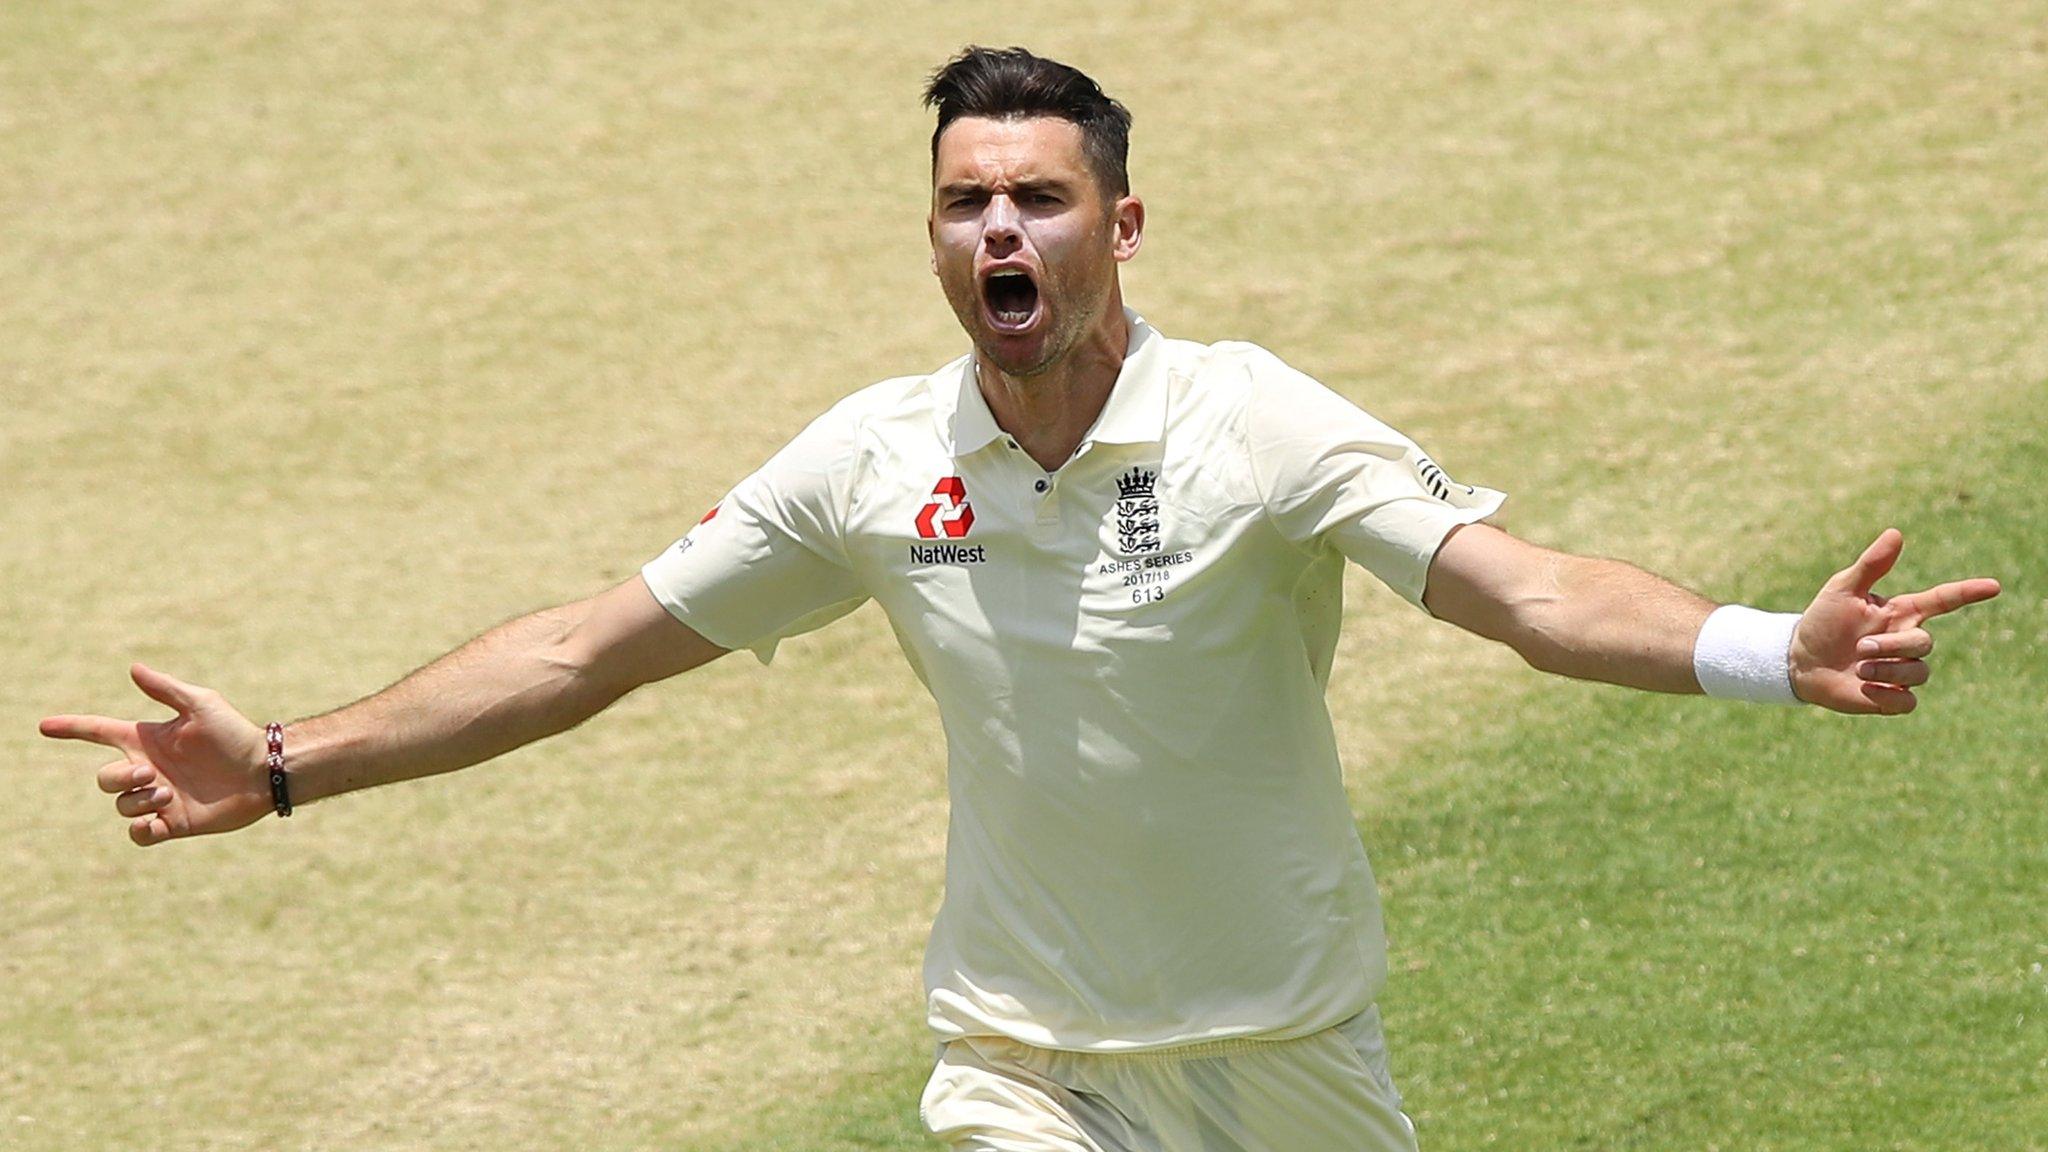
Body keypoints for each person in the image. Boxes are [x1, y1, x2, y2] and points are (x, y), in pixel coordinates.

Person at [41, 46, 2001, 1152]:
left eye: (1040, 197)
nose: (1001, 227)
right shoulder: (869, 466)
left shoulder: (1251, 425)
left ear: (1116, 225)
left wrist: (1763, 648)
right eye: (967, 199)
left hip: (1285, 1049)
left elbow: (1524, 594)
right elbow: (578, 652)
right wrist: (287, 761)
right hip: (1023, 1068)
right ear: (933, 233)